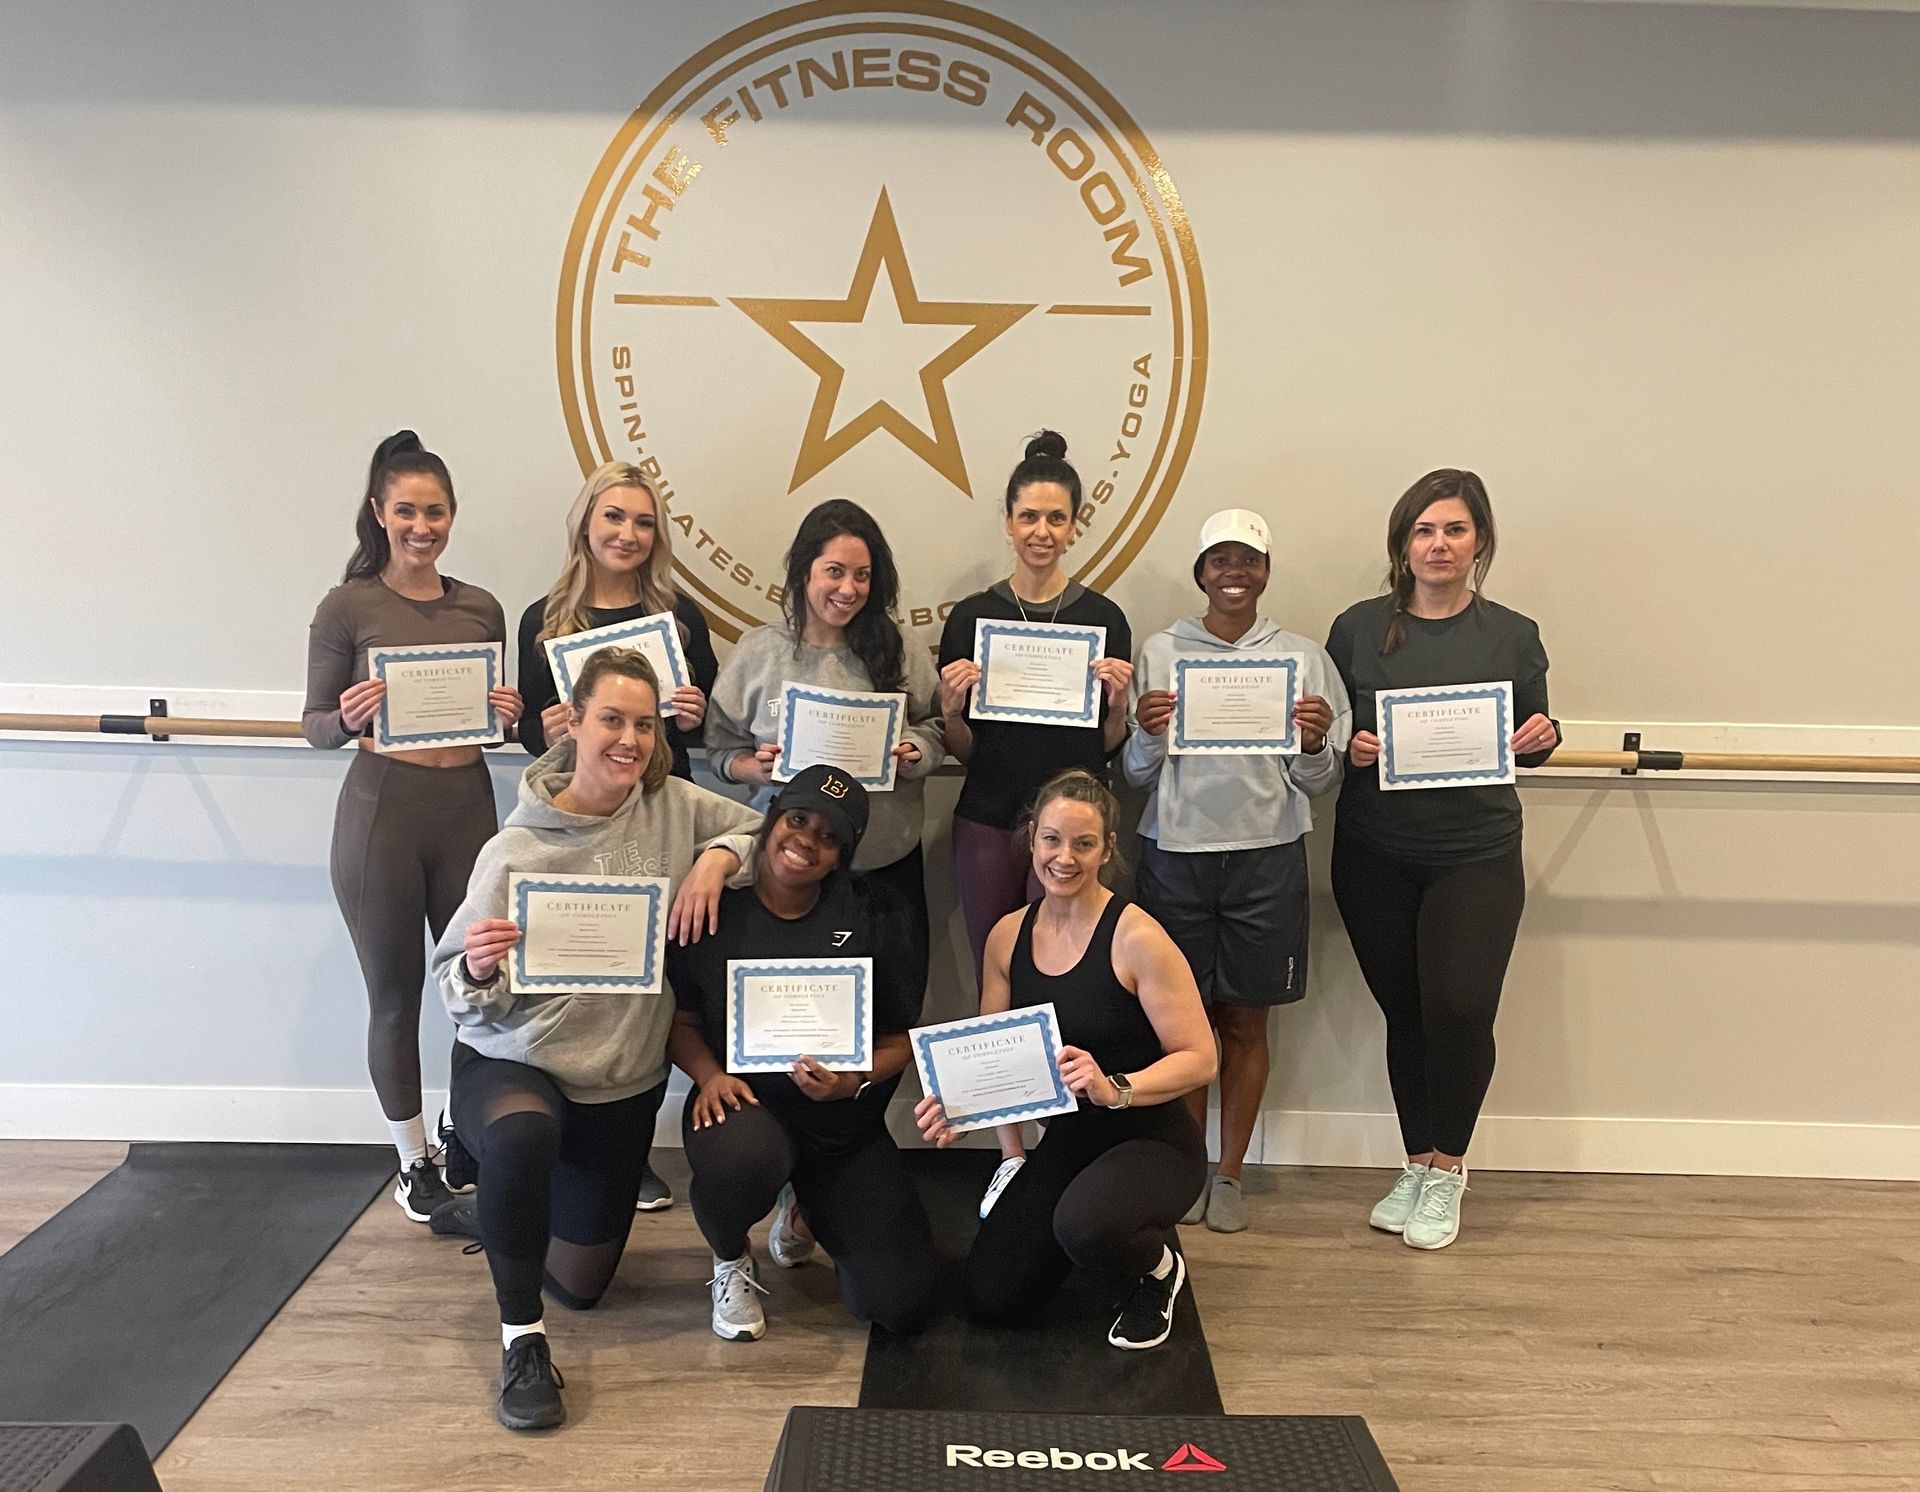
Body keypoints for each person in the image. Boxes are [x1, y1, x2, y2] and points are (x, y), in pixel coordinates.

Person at [430, 648, 762, 1431]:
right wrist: (479, 968)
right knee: (522, 1135)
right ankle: (522, 1342)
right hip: (517, 1061)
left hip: (620, 1080)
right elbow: (450, 987)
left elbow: (762, 826)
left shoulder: (676, 808)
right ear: (571, 724)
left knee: (583, 1284)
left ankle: (499, 1214)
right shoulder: (513, 849)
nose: (630, 739)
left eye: (644, 725)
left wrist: (715, 860)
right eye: (611, 719)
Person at [1325, 469, 1559, 1251]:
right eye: (1424, 531)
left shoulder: (1513, 634)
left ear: (1479, 543)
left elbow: (1535, 733)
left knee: (1460, 1009)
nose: (1439, 544)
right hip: (1373, 853)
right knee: (1408, 1012)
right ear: (1402, 545)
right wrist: (1349, 744)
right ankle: (1416, 1160)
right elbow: (1336, 735)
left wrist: (1543, 740)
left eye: (1454, 530)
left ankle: (1451, 1167)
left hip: (1476, 854)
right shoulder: (1356, 628)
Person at [915, 769, 1215, 1351]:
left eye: (1083, 843)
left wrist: (1114, 1087)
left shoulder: (1137, 938)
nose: (1064, 858)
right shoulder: (1007, 935)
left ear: (1107, 849)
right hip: (1070, 1143)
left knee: (1086, 1226)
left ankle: (1157, 1269)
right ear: (1031, 840)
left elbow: (1201, 1058)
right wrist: (960, 1108)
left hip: (1150, 1138)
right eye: (1052, 839)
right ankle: (1093, 1225)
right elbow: (993, 1051)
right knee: (990, 1298)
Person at [302, 430, 522, 1222]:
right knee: (396, 999)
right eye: (405, 511)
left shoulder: (480, 607)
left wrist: (506, 714)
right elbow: (314, 725)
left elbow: (497, 723)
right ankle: (414, 1160)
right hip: (383, 815)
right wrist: (347, 715)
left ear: (452, 516)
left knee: (479, 988)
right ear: (378, 512)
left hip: (468, 806)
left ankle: (468, 1138)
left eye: (434, 512)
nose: (420, 526)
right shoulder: (347, 605)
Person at [1123, 509, 1351, 1233]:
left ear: (1265, 573)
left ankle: (1229, 1174)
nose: (1233, 573)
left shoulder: (1303, 657)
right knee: (1182, 1024)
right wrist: (1148, 732)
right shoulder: (1160, 652)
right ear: (1200, 573)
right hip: (1176, 854)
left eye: (1247, 561)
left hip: (1267, 854)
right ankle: (1186, 1166)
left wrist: (1315, 744)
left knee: (1247, 1022)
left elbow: (1320, 780)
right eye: (1219, 560)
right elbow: (1133, 772)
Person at [666, 765, 937, 1343]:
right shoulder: (714, 905)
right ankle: (730, 1258)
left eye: (830, 836)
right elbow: (680, 1022)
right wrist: (709, 1075)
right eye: (797, 819)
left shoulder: (873, 914)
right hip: (744, 1111)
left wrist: (853, 1081)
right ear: (769, 821)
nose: (807, 841)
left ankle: (802, 1208)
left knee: (901, 1303)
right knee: (744, 1158)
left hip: (841, 1130)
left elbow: (899, 1040)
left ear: (843, 856)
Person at [514, 459, 717, 1211]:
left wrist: (695, 714)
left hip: (661, 816)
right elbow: (535, 748)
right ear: (586, 523)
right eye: (614, 518)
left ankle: (629, 1148)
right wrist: (542, 731)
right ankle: (570, 1135)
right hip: (577, 830)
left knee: (658, 979)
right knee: (587, 973)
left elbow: (709, 723)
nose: (627, 534)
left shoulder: (681, 618)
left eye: (642, 522)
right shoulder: (542, 619)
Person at [704, 499, 943, 988]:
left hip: (883, 864)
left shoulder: (901, 648)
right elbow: (720, 750)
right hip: (784, 868)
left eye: (862, 575)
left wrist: (917, 752)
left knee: (890, 1003)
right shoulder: (758, 652)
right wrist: (752, 769)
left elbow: (938, 724)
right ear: (804, 572)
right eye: (834, 571)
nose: (848, 589)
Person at [937, 432, 1133, 987]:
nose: (1040, 532)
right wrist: (952, 712)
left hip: (1075, 825)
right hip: (989, 817)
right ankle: (1002, 1077)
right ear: (1007, 521)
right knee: (995, 969)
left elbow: (1108, 742)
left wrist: (1118, 706)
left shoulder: (1105, 617)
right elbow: (963, 749)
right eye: (1028, 517)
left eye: (1055, 518)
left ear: (1074, 526)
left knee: (1069, 975)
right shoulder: (972, 618)